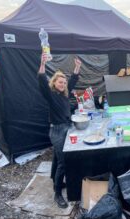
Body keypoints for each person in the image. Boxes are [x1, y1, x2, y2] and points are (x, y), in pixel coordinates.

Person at [38, 53, 81, 208]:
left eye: (64, 82)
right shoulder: (51, 95)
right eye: (60, 82)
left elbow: (73, 81)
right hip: (57, 131)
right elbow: (42, 81)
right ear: (54, 83)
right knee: (63, 161)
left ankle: (54, 180)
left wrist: (77, 67)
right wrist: (42, 63)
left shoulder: (64, 94)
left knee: (57, 158)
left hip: (66, 127)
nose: (63, 84)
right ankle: (57, 193)